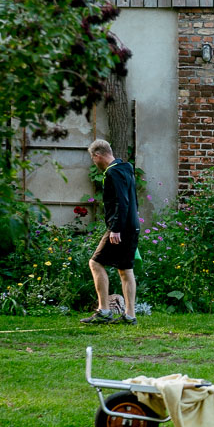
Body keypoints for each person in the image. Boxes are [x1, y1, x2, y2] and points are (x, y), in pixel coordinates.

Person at [81, 139, 140, 325]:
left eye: (93, 159)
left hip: (120, 228)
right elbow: (131, 201)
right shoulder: (126, 168)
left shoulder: (113, 172)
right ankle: (130, 316)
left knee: (96, 263)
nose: (94, 163)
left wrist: (115, 229)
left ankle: (104, 311)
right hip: (131, 225)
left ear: (97, 155)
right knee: (125, 269)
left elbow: (121, 202)